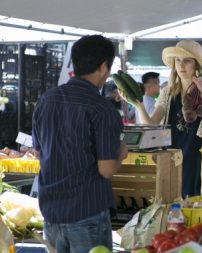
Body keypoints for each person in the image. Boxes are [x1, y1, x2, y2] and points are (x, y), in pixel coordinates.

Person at [32, 35, 128, 253]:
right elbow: (106, 170)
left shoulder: (46, 100)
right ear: (104, 67)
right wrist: (121, 154)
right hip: (87, 213)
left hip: (51, 213)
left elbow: (39, 153)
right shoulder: (103, 109)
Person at [124, 40, 202, 197]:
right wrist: (139, 105)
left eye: (187, 61)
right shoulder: (168, 92)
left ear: (196, 65)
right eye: (178, 60)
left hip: (197, 160)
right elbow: (152, 124)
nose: (181, 65)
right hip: (171, 159)